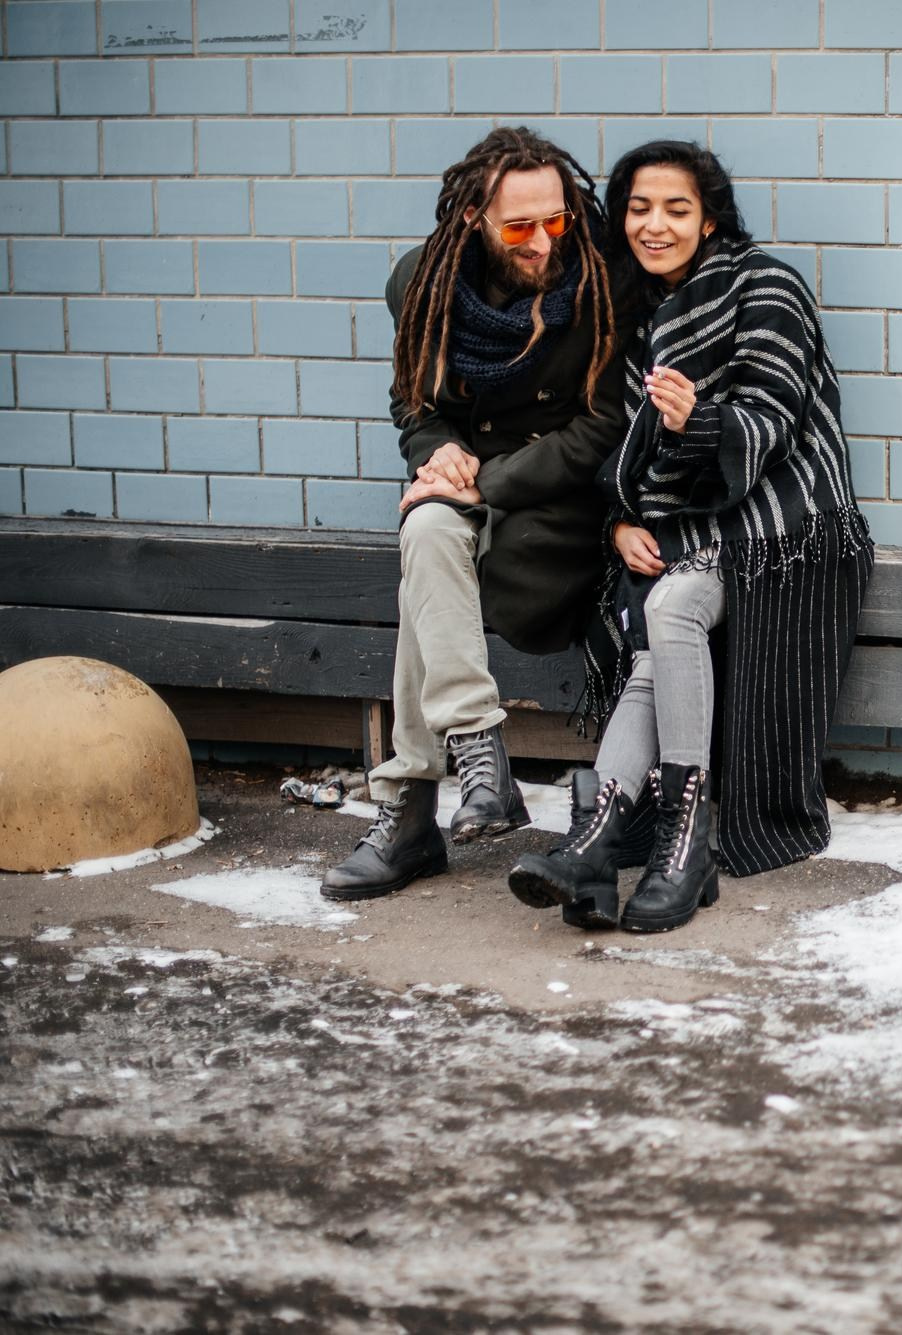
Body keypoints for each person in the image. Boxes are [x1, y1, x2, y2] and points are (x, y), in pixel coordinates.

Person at [506, 140, 874, 933]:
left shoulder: (766, 286)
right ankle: (601, 839)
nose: (655, 225)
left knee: (667, 609)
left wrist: (696, 418)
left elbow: (772, 421)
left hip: (784, 521)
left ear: (710, 220)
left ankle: (680, 836)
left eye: (677, 209)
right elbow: (626, 460)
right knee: (649, 623)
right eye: (639, 208)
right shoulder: (640, 324)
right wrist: (622, 522)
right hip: (688, 529)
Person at [322, 127, 633, 900]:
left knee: (429, 567)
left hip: (550, 523)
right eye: (519, 226)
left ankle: (411, 815)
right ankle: (481, 750)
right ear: (471, 220)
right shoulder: (421, 284)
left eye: (555, 220)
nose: (542, 241)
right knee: (426, 530)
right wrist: (438, 454)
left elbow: (604, 425)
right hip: (465, 511)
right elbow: (414, 401)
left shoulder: (599, 284)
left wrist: (484, 480)